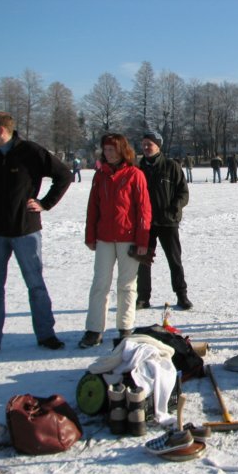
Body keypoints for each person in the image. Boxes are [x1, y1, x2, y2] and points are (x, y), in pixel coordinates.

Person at [0, 111, 72, 358]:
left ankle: (46, 335)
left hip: (26, 230)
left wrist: (46, 203)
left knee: (36, 285)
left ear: (1, 130)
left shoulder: (30, 152)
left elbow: (63, 175)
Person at [79, 133, 152, 348]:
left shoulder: (134, 175)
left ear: (122, 151)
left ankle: (125, 326)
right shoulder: (99, 176)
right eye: (106, 150)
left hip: (128, 238)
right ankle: (94, 329)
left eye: (112, 150)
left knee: (127, 284)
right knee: (100, 283)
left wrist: (142, 240)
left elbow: (144, 210)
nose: (108, 154)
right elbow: (93, 208)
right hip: (104, 238)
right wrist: (90, 235)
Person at [136, 131, 192, 311]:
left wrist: (175, 207)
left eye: (149, 144)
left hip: (168, 221)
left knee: (174, 260)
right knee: (143, 261)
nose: (145, 147)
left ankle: (182, 295)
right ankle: (143, 298)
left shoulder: (171, 166)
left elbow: (183, 192)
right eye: (144, 144)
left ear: (158, 145)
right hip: (146, 223)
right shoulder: (138, 168)